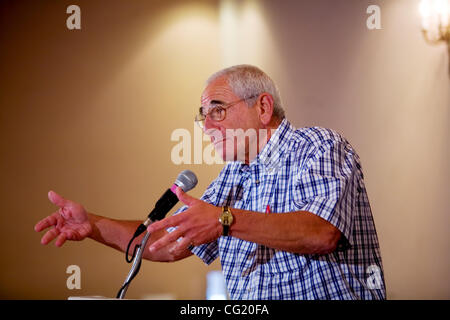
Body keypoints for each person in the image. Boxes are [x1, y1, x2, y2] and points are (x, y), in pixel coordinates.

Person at [35, 64, 386, 300]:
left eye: (217, 110)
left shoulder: (319, 146)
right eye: (203, 116)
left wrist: (224, 220)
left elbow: (320, 232)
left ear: (263, 108)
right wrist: (93, 225)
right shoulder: (232, 176)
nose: (206, 127)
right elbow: (167, 244)